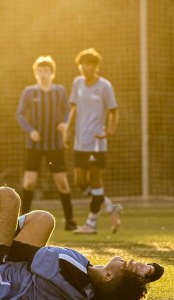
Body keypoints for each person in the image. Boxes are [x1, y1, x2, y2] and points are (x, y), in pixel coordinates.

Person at [0, 186, 164, 300]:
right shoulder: (88, 289)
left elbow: (18, 249)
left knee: (7, 198)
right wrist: (147, 273)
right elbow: (124, 289)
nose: (129, 261)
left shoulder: (73, 270)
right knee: (44, 219)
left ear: (107, 276)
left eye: (127, 267)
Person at [64, 48, 122, 235]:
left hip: (97, 142)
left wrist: (110, 131)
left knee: (95, 180)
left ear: (96, 66)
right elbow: (73, 109)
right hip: (80, 142)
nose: (84, 67)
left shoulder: (105, 86)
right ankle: (110, 206)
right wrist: (67, 129)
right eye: (82, 64)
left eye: (89, 64)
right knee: (80, 182)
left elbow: (114, 111)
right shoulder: (77, 83)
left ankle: (91, 224)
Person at [15, 55, 77, 231]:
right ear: (36, 73)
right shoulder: (29, 92)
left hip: (54, 146)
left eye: (46, 71)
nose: (43, 74)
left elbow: (67, 111)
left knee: (62, 182)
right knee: (29, 183)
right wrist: (30, 131)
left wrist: (64, 123)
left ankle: (70, 221)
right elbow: (19, 114)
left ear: (52, 73)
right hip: (34, 146)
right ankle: (21, 223)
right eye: (40, 71)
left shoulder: (59, 91)